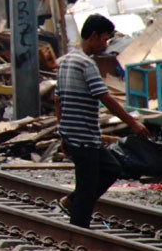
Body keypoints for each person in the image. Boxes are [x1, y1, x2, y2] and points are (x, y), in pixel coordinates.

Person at [55, 13, 151, 228]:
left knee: (112, 168)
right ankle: (78, 232)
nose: (106, 44)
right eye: (105, 39)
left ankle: (70, 202)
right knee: (87, 190)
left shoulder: (66, 60)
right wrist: (133, 123)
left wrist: (61, 132)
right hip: (84, 137)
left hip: (76, 136)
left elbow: (57, 100)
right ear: (94, 36)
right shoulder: (86, 65)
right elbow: (106, 98)